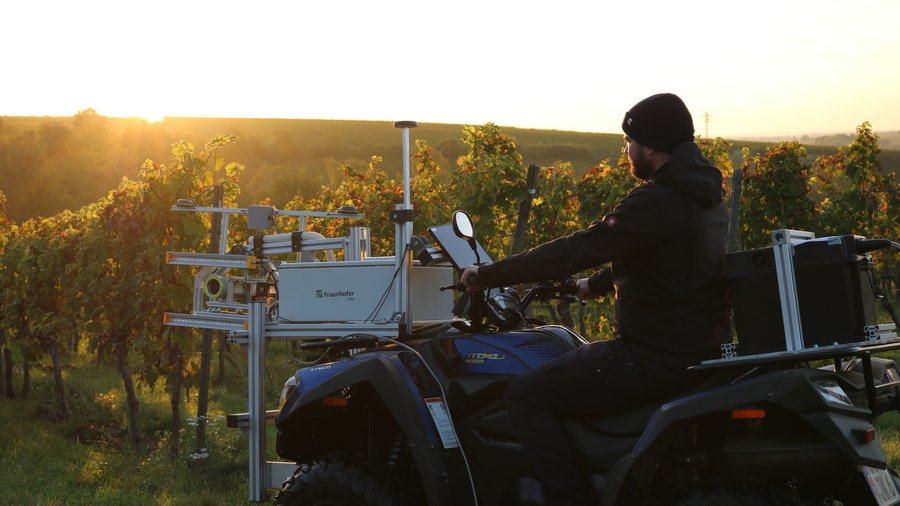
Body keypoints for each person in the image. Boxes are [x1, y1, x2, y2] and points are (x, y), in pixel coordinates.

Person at [460, 93, 731, 506]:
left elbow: (578, 247)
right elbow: (667, 259)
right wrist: (594, 285)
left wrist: (488, 274)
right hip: (696, 347)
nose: (626, 152)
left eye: (630, 141)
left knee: (526, 394)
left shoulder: (656, 199)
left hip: (654, 356)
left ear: (652, 145)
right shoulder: (701, 194)